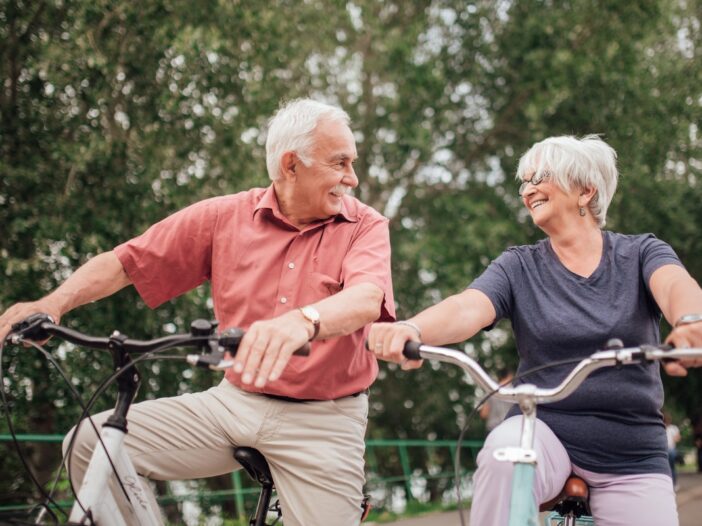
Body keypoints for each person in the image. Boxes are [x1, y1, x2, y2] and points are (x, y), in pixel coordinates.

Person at [0, 98, 395, 525]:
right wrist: (53, 303)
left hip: (324, 419)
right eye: (340, 163)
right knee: (88, 444)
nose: (351, 179)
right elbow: (126, 262)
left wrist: (303, 322)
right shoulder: (224, 217)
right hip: (233, 403)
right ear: (291, 165)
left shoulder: (365, 226)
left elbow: (366, 298)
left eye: (351, 164)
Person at [369, 135, 702, 526]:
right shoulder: (518, 266)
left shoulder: (640, 253)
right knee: (502, 456)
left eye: (539, 177)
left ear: (585, 190)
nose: (527, 190)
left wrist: (691, 323)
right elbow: (467, 306)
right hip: (545, 430)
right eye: (523, 182)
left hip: (630, 447)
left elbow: (676, 286)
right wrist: (412, 327)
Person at [478, 368, 514, 432]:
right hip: (509, 428)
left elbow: (484, 414)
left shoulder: (490, 391)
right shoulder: (514, 391)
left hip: (492, 429)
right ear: (509, 376)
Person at [664, 413, 681, 488]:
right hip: (664, 450)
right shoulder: (662, 428)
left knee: (672, 467)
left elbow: (678, 438)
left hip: (671, 450)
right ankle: (668, 484)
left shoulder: (673, 428)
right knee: (667, 468)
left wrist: (675, 438)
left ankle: (674, 484)